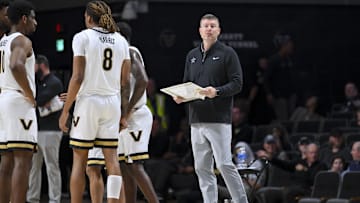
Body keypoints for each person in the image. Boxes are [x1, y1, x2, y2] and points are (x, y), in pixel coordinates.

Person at [58, 1, 131, 203]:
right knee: (112, 161)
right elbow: (125, 82)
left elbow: (77, 76)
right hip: (112, 102)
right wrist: (124, 113)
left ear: (89, 18)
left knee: (80, 161)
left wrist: (66, 110)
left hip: (89, 102)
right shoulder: (121, 40)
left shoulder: (82, 37)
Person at [174, 13, 248, 203]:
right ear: (199, 30)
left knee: (224, 164)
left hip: (218, 119)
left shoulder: (227, 53)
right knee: (201, 168)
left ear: (218, 30)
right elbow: (187, 84)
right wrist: (182, 96)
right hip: (196, 120)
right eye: (205, 26)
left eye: (212, 26)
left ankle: (241, 201)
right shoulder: (191, 56)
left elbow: (237, 83)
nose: (209, 29)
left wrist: (216, 91)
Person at [86, 21, 159, 203]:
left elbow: (142, 81)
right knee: (125, 167)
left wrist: (125, 113)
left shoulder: (129, 50)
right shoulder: (118, 55)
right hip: (124, 116)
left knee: (134, 165)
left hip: (137, 115)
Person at [0, 1, 37, 203]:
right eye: (33, 18)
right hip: (18, 101)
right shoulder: (22, 40)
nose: (35, 23)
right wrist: (30, 94)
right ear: (24, 19)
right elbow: (16, 65)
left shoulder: (2, 42)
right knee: (23, 160)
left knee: (6, 162)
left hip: (3, 100)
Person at [26, 55, 63, 203]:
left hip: (51, 130)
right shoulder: (39, 84)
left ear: (41, 65)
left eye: (34, 66)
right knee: (34, 168)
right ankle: (32, 197)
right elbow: (35, 101)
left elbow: (37, 100)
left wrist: (39, 101)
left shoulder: (54, 82)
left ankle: (55, 199)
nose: (33, 70)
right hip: (36, 130)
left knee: (51, 166)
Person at [264, 32, 296, 121]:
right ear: (284, 46)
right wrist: (269, 93)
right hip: (279, 95)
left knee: (292, 118)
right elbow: (266, 78)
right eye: (290, 45)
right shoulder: (274, 60)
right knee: (283, 118)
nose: (291, 47)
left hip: (290, 94)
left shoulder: (289, 60)